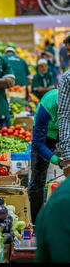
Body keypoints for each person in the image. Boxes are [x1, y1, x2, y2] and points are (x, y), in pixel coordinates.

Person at [34, 35, 70, 263]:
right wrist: (60, 159)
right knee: (37, 179)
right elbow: (37, 144)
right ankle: (36, 217)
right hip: (46, 139)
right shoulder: (47, 108)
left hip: (62, 139)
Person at [28, 89, 63, 224]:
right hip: (46, 135)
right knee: (38, 180)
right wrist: (58, 161)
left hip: (64, 133)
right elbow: (37, 144)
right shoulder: (47, 105)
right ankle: (37, 222)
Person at [58, 35, 70, 177]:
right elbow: (65, 116)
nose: (68, 54)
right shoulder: (67, 78)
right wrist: (67, 156)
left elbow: (64, 116)